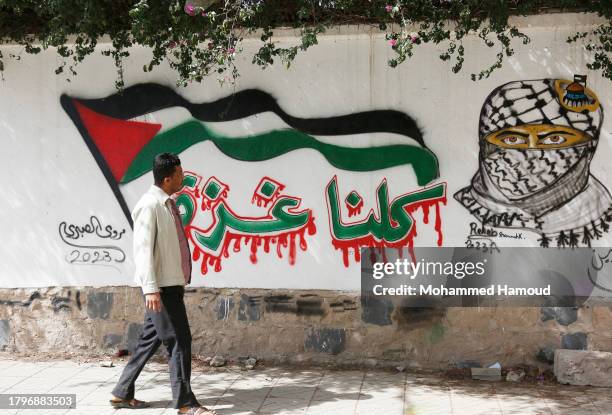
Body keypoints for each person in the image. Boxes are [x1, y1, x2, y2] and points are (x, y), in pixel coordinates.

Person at [109, 153, 215, 415]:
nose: (183, 177)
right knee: (180, 341)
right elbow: (143, 250)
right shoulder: (150, 205)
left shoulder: (167, 203)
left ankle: (121, 392)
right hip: (162, 289)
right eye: (179, 174)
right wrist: (151, 289)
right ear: (167, 178)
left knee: (150, 339)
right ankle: (185, 403)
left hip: (169, 284)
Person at [454, 75, 612, 247]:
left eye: (555, 139)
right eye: (512, 140)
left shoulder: (598, 214)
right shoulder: (461, 210)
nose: (531, 153)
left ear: (589, 148)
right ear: (485, 145)